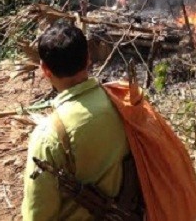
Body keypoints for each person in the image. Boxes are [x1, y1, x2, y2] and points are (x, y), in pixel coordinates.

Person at [22, 22, 130, 221]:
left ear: (45, 69)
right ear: (88, 58)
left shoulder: (49, 136)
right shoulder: (123, 102)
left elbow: (38, 214)